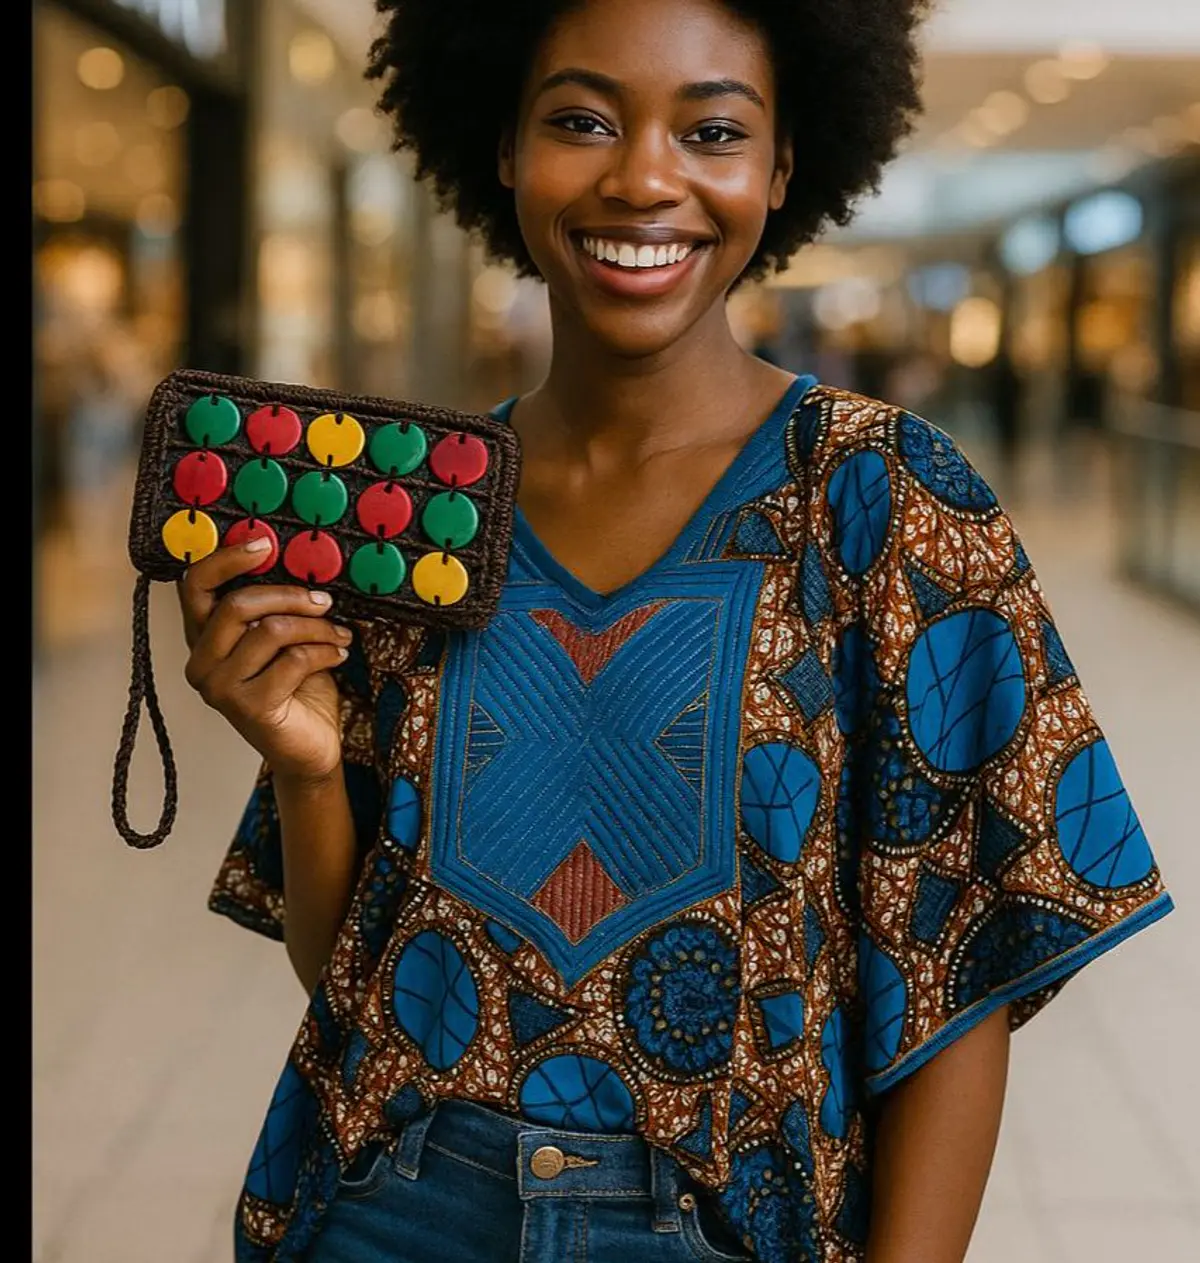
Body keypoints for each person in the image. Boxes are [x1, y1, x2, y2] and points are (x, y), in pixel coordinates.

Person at [176, 2, 1173, 1260]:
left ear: (783, 166)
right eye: (582, 121)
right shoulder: (424, 506)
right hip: (391, 1206)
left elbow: (954, 977)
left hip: (727, 1226)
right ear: (504, 147)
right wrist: (308, 768)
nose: (645, 178)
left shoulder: (880, 496)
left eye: (712, 131)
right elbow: (357, 975)